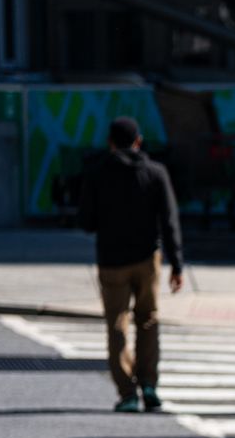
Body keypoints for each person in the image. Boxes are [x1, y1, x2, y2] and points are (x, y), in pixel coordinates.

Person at [77, 116, 183, 413]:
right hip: (147, 258)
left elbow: (86, 221)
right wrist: (177, 264)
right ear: (138, 141)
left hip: (111, 259)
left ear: (111, 142)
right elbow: (170, 221)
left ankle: (127, 393)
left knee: (117, 322)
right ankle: (149, 384)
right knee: (148, 318)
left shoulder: (97, 172)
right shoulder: (156, 173)